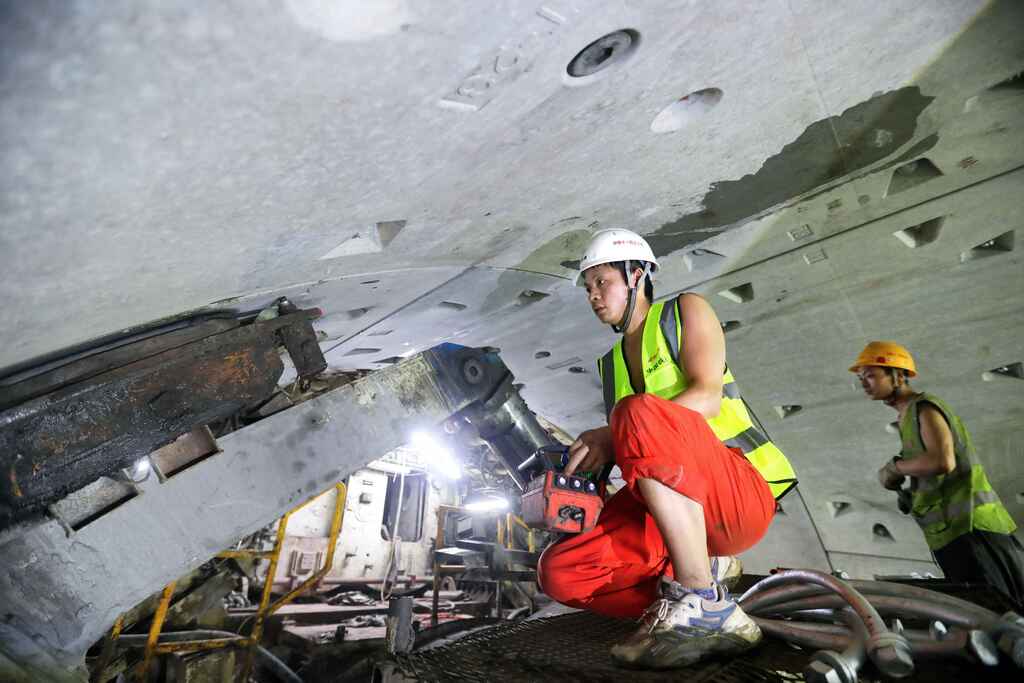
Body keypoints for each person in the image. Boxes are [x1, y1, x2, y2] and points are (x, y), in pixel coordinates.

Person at [537, 229, 797, 669]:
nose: (594, 296)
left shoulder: (685, 312)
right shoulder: (612, 364)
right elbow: (644, 458)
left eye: (602, 282)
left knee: (636, 412)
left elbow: (707, 396)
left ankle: (699, 597)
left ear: (637, 275)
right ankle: (691, 596)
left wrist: (616, 434)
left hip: (736, 495)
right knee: (561, 573)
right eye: (588, 288)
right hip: (674, 516)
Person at [851, 341, 1023, 603]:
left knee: (1002, 613)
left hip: (974, 531)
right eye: (861, 378)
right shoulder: (906, 417)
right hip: (952, 535)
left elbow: (942, 461)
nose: (864, 383)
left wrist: (895, 468)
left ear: (898, 375)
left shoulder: (925, 408)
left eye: (871, 375)